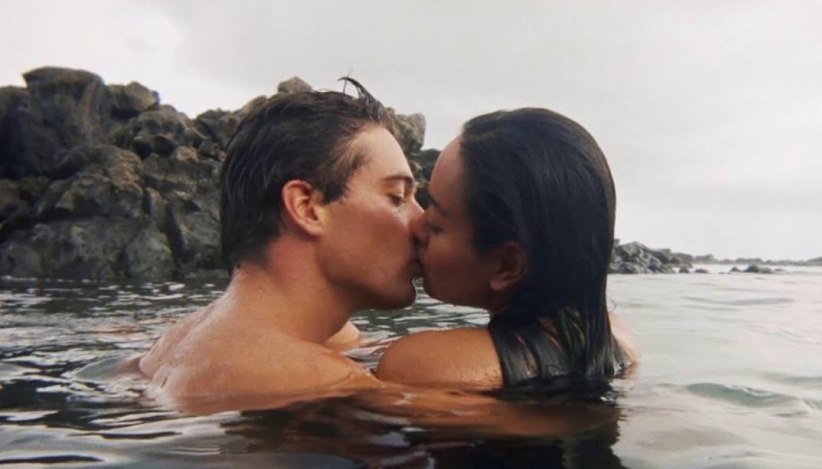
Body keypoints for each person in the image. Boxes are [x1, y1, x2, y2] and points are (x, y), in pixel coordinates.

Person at [136, 79, 422, 411]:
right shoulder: (311, 379)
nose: (422, 222)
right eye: (397, 198)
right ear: (307, 207)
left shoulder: (182, 341)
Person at [376, 108, 638, 388]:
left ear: (508, 266)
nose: (417, 225)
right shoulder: (620, 339)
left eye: (437, 224)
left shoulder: (422, 365)